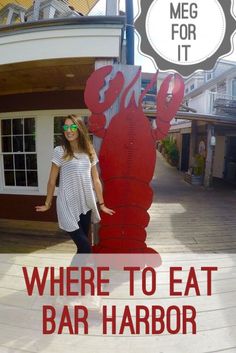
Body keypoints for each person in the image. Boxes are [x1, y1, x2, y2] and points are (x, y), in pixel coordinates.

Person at [35, 114, 115, 253]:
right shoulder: (59, 151)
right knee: (86, 248)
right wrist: (48, 203)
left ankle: (77, 274)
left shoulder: (89, 151)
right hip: (66, 204)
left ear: (79, 129)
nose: (69, 130)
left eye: (72, 126)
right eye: (66, 127)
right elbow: (52, 180)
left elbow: (96, 180)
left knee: (82, 248)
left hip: (85, 204)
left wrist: (102, 204)